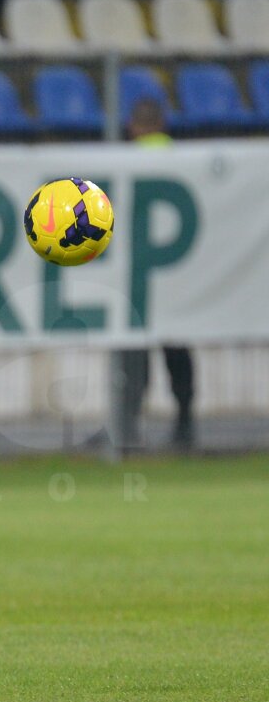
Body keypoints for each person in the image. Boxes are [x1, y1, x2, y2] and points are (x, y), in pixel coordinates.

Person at [117, 98, 196, 451]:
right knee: (177, 348)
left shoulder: (122, 160)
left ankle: (127, 425)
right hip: (177, 272)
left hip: (137, 271)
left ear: (133, 127)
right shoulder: (183, 159)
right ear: (163, 125)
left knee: (134, 351)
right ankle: (185, 422)